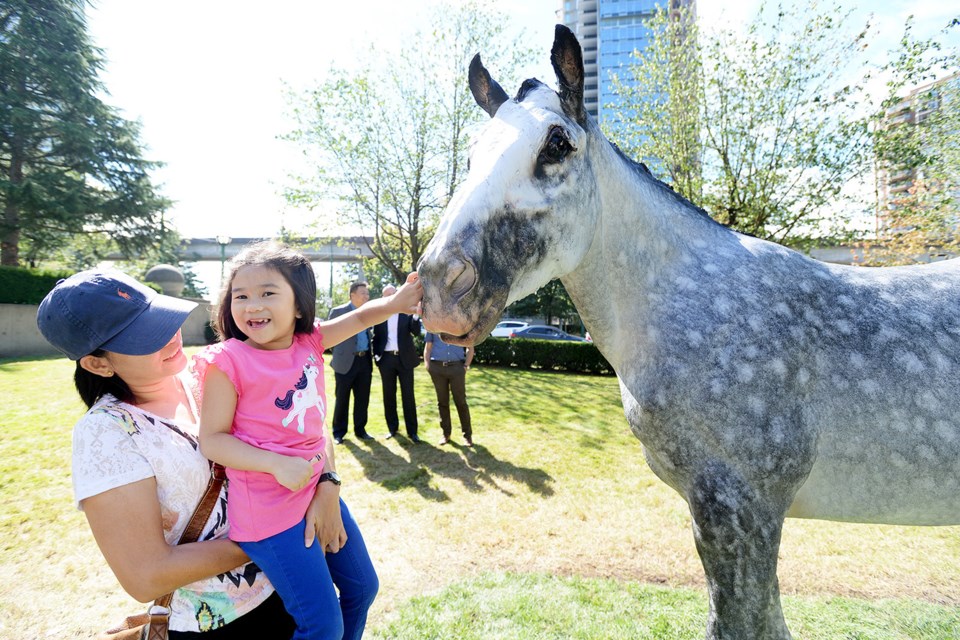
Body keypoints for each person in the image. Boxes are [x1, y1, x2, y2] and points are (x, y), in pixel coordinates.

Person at [35, 268, 329, 639]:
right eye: (142, 336)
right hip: (218, 620)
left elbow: (302, 426)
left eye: (161, 319)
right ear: (98, 363)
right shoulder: (106, 433)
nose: (169, 335)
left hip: (292, 587)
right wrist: (274, 534)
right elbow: (145, 575)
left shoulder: (209, 372)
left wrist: (328, 483)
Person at [195, 242, 422, 640]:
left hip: (317, 492)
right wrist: (276, 463)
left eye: (268, 293)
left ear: (299, 305)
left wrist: (398, 302)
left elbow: (362, 316)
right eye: (241, 296)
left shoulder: (310, 342)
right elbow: (212, 440)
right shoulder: (227, 360)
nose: (251, 306)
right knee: (321, 624)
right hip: (268, 513)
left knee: (362, 588)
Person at [372, 284, 422, 442]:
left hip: (405, 359)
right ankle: (392, 429)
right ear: (383, 298)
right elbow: (375, 337)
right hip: (386, 360)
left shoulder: (406, 312)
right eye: (388, 295)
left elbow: (416, 332)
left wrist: (415, 316)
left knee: (408, 396)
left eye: (394, 294)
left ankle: (412, 432)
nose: (391, 297)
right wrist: (377, 357)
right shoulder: (379, 315)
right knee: (389, 396)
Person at [327, 282, 375, 444]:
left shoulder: (368, 313)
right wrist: (340, 354)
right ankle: (339, 432)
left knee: (363, 398)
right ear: (352, 295)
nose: (366, 296)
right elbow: (329, 337)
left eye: (367, 294)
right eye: (363, 293)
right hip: (345, 362)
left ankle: (360, 430)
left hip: (364, 361)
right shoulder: (338, 312)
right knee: (342, 398)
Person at [423, 332, 474, 446]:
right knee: (442, 402)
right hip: (437, 368)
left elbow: (470, 348)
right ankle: (446, 434)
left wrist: (466, 366)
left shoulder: (461, 326)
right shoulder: (433, 325)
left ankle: (467, 436)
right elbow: (428, 347)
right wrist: (428, 365)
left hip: (457, 368)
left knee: (460, 402)